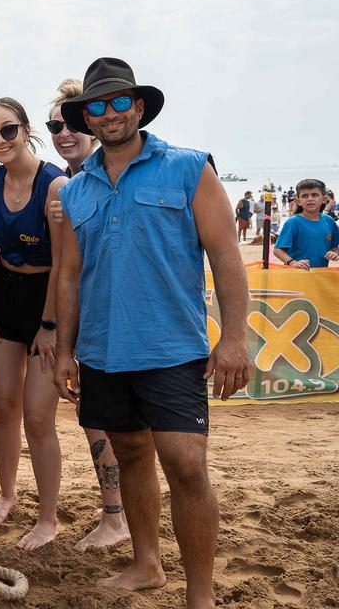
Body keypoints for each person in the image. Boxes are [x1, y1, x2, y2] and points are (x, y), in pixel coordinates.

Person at [54, 57, 251, 608]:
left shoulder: (190, 167)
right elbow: (68, 276)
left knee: (186, 465)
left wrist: (234, 338)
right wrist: (64, 351)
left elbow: (226, 258)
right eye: (98, 105)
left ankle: (201, 595)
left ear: (138, 107)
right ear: (86, 117)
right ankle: (146, 564)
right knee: (130, 455)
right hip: (101, 350)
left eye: (120, 101)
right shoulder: (74, 192)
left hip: (173, 348)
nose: (110, 113)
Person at [0, 97, 68, 550]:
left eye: (7, 131)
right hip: (4, 296)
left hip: (46, 300)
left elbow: (66, 261)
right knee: (5, 406)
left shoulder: (56, 185)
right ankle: (8, 495)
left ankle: (48, 517)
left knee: (38, 416)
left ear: (26, 130)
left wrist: (49, 325)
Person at [47, 78, 129, 551]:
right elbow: (67, 271)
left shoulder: (110, 176)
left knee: (112, 424)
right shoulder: (70, 185)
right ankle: (117, 513)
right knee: (96, 418)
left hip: (123, 323)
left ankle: (118, 516)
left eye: (71, 123)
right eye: (56, 124)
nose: (64, 132)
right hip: (88, 322)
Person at [273, 179, 339, 269]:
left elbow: (335, 247)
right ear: (298, 201)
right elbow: (277, 250)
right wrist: (292, 262)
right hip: (297, 276)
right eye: (305, 196)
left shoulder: (329, 221)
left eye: (314, 195)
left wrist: (334, 253)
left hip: (320, 275)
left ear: (324, 199)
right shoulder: (293, 222)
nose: (310, 199)